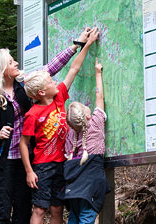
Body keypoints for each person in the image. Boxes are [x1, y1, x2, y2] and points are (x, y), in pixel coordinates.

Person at [0, 27, 91, 224]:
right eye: (11, 62)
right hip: (3, 160)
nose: (16, 62)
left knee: (23, 208)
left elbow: (52, 67)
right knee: (1, 208)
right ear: (1, 69)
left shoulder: (24, 85)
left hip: (27, 159)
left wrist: (77, 44)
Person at [19, 27, 99, 224]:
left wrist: (86, 45)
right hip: (42, 167)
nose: (55, 81)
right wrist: (29, 171)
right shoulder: (32, 114)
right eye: (49, 81)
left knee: (57, 208)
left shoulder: (59, 97)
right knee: (39, 208)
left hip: (61, 163)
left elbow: (74, 69)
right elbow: (23, 143)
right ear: (40, 93)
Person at [61, 58, 109, 224]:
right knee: (86, 220)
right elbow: (99, 96)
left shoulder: (70, 135)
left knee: (74, 218)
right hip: (90, 189)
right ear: (87, 116)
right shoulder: (95, 124)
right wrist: (98, 72)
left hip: (73, 190)